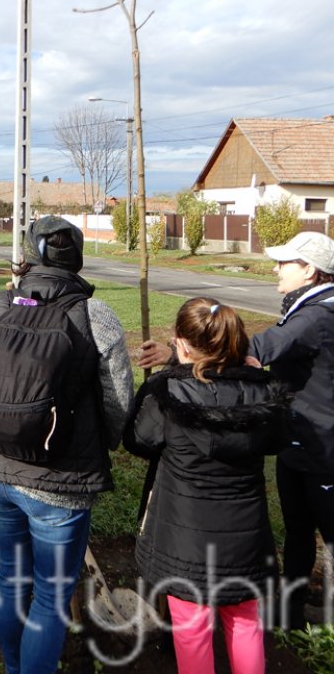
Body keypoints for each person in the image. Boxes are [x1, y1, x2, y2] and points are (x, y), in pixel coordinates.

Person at [0, 216, 133, 674]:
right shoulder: (96, 315)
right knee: (51, 596)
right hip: (61, 479)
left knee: (11, 576)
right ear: (77, 260)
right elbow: (118, 401)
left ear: (31, 258)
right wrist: (107, 443)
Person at [138, 231, 334, 629]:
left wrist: (181, 358)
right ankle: (292, 611)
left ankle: (311, 616)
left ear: (310, 271)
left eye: (286, 263)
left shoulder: (317, 316)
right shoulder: (308, 306)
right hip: (299, 438)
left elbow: (250, 352)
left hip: (323, 446)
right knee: (298, 530)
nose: (277, 268)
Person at [125, 297, 288, 674]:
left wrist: (166, 373)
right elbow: (279, 438)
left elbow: (138, 440)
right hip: (245, 538)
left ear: (181, 344)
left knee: (193, 631)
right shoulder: (263, 393)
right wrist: (256, 375)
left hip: (186, 542)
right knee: (246, 622)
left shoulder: (167, 393)